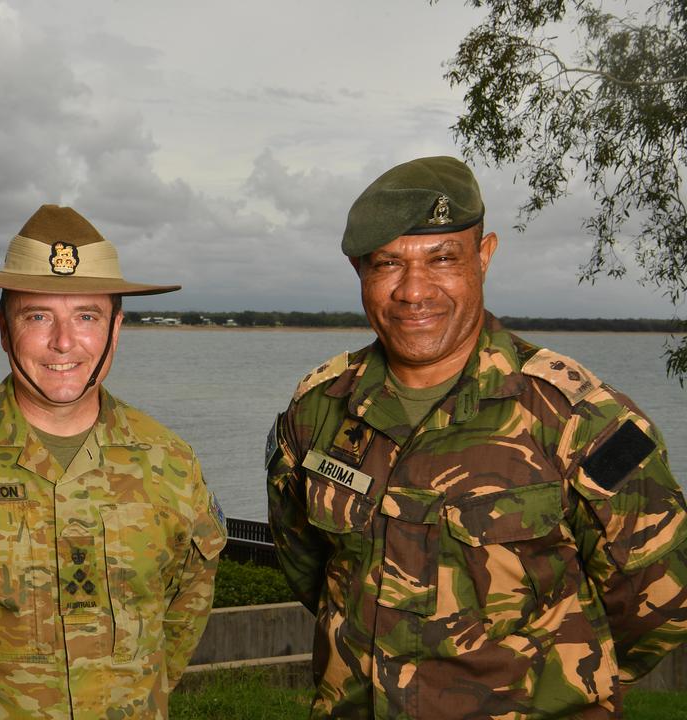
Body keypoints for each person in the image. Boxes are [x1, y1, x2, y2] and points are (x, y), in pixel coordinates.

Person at [266, 156, 687, 718]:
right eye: (388, 263)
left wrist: (560, 688)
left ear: (484, 256)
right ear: (359, 270)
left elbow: (661, 602)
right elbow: (310, 568)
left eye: (442, 258)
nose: (413, 291)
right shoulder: (318, 408)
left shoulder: (579, 418)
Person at [0, 204, 226, 719]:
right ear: (5, 330)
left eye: (87, 316)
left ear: (116, 329)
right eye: (38, 316)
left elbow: (185, 612)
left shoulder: (170, 461)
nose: (63, 342)